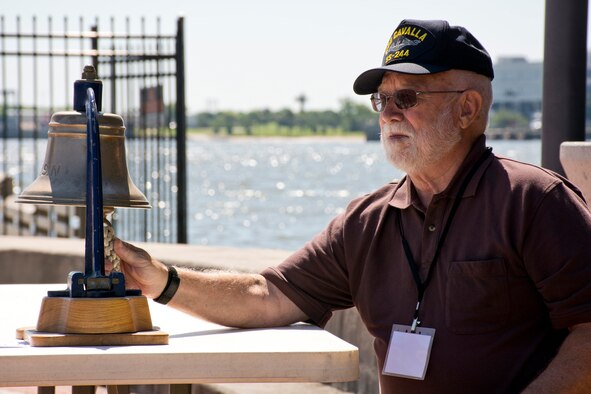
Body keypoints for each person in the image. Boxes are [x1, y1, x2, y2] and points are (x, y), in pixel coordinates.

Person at [110, 19, 591, 393]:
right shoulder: (367, 221)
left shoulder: (534, 201)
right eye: (383, 100)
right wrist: (163, 280)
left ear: (467, 109)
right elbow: (269, 294)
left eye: (408, 96)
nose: (390, 113)